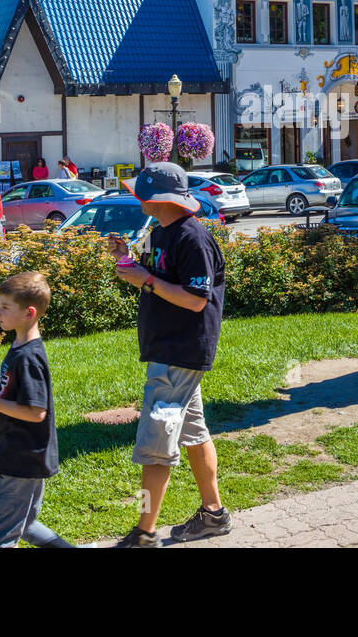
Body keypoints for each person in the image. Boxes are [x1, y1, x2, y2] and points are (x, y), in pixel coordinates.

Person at [105, 162, 229, 547]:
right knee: (193, 432)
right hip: (171, 350)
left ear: (157, 199)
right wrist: (128, 261)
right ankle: (214, 515)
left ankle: (144, 533)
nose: (135, 196)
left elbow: (194, 300)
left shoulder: (192, 238)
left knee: (154, 448)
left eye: (140, 191)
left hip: (180, 351)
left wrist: (146, 280)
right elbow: (154, 277)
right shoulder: (158, 233)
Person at [0, 272, 73, 548]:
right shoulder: (20, 346)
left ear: (29, 313)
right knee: (24, 525)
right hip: (24, 458)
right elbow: (15, 386)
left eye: (5, 307)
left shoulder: (30, 356)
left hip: (15, 460)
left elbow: (36, 411)